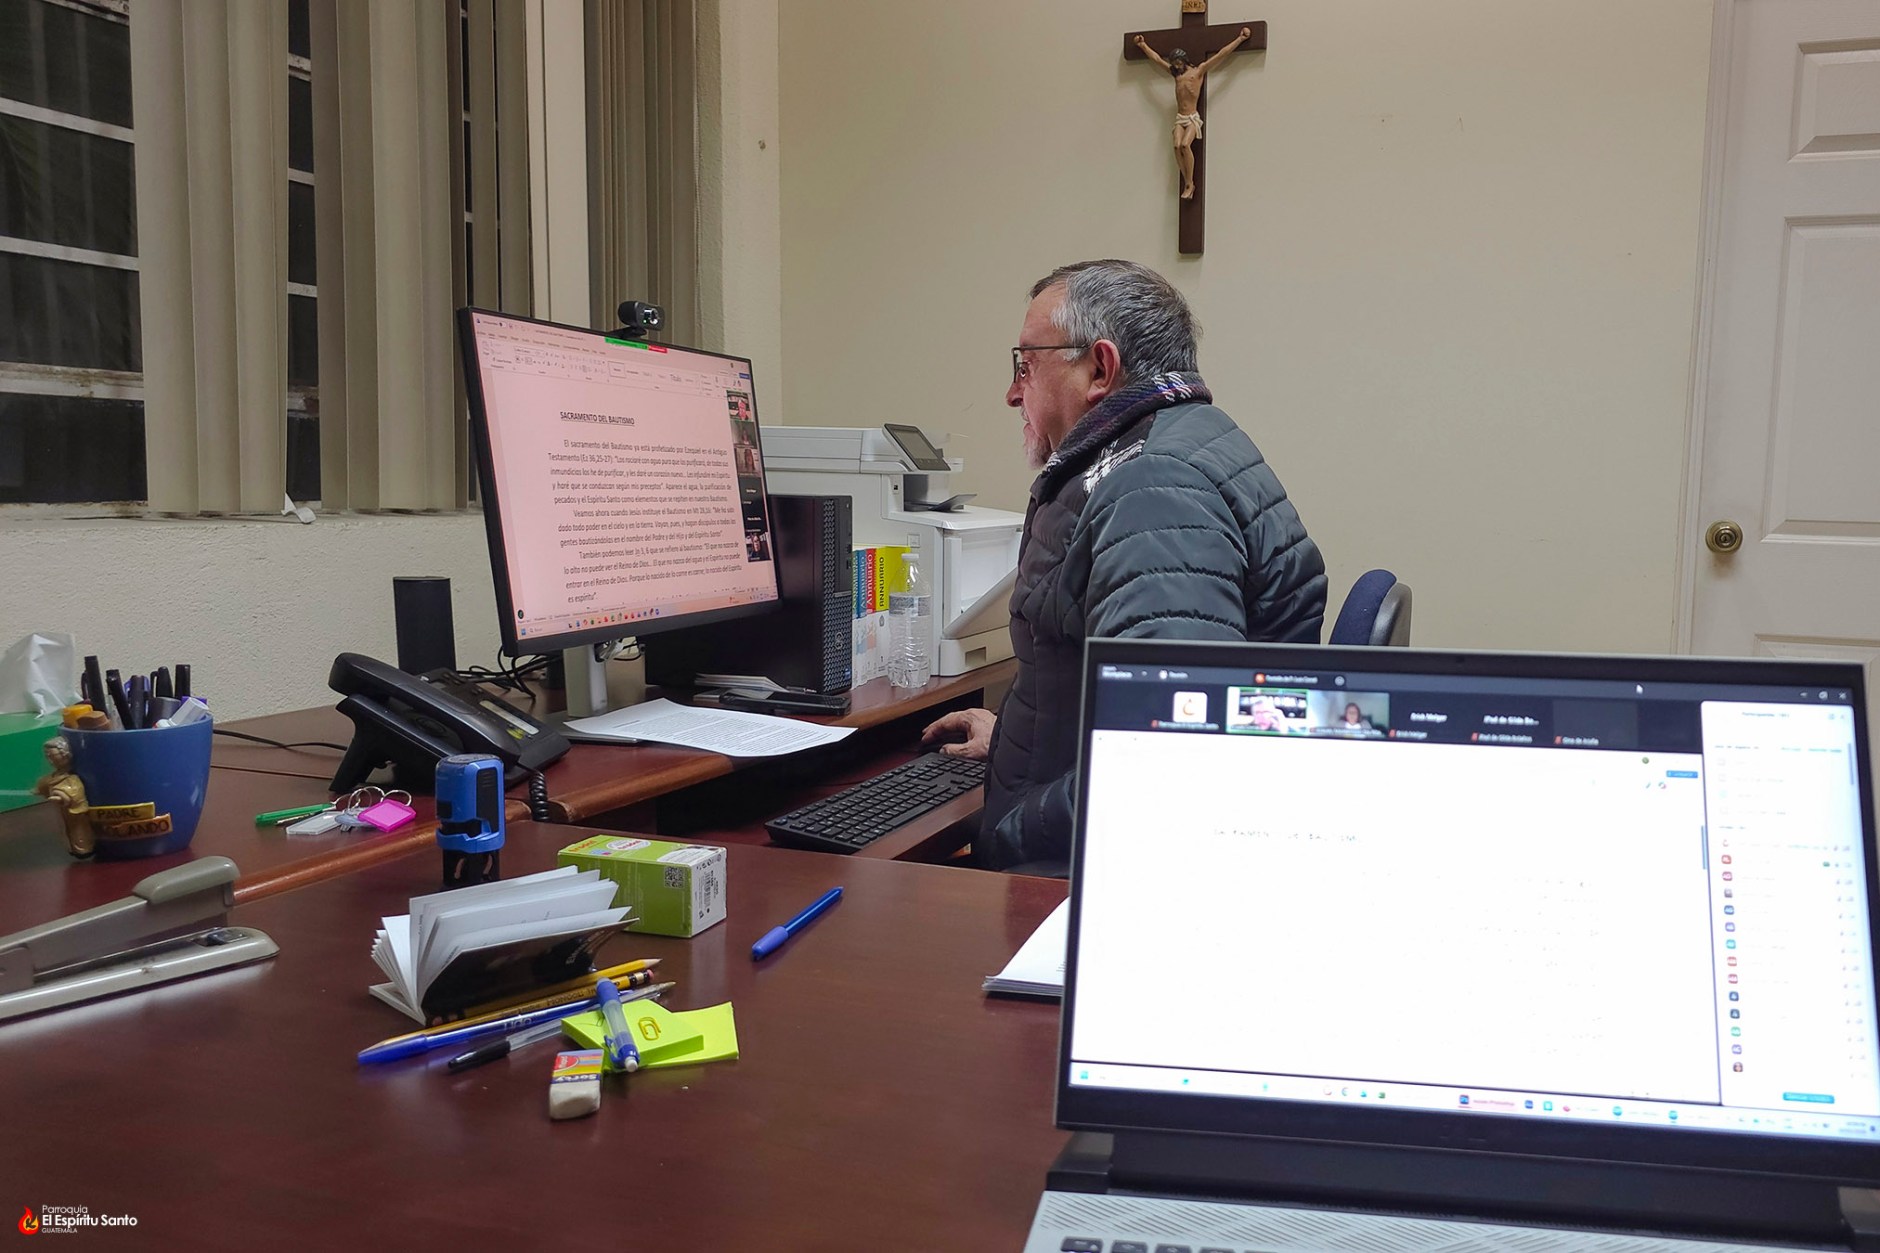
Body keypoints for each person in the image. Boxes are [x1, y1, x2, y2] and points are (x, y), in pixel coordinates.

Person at [923, 260, 1326, 870]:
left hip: (1093, 872)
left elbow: (1165, 753)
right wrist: (1013, 739)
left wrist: (1010, 828)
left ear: (1099, 369)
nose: (1012, 392)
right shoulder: (1185, 440)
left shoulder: (1152, 488)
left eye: (1025, 365)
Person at [1134, 28, 1254, 200]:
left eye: (1178, 62)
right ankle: (1187, 181)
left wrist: (1240, 39)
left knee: (1185, 145)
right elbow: (1158, 59)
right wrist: (1143, 45)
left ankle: (1190, 183)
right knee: (1176, 146)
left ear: (1184, 60)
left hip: (1191, 117)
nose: (1176, 65)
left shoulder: (1198, 71)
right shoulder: (1176, 75)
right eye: (1174, 63)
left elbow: (1221, 55)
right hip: (1180, 117)